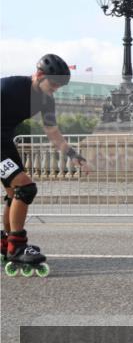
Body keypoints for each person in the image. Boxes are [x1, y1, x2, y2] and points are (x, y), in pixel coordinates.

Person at [1, 55, 92, 276]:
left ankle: (8, 242)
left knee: (14, 193)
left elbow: (53, 133)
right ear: (39, 75)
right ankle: (17, 246)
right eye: (53, 84)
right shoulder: (8, 87)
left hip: (4, 142)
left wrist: (73, 154)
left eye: (59, 87)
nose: (55, 90)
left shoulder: (46, 100)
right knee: (26, 187)